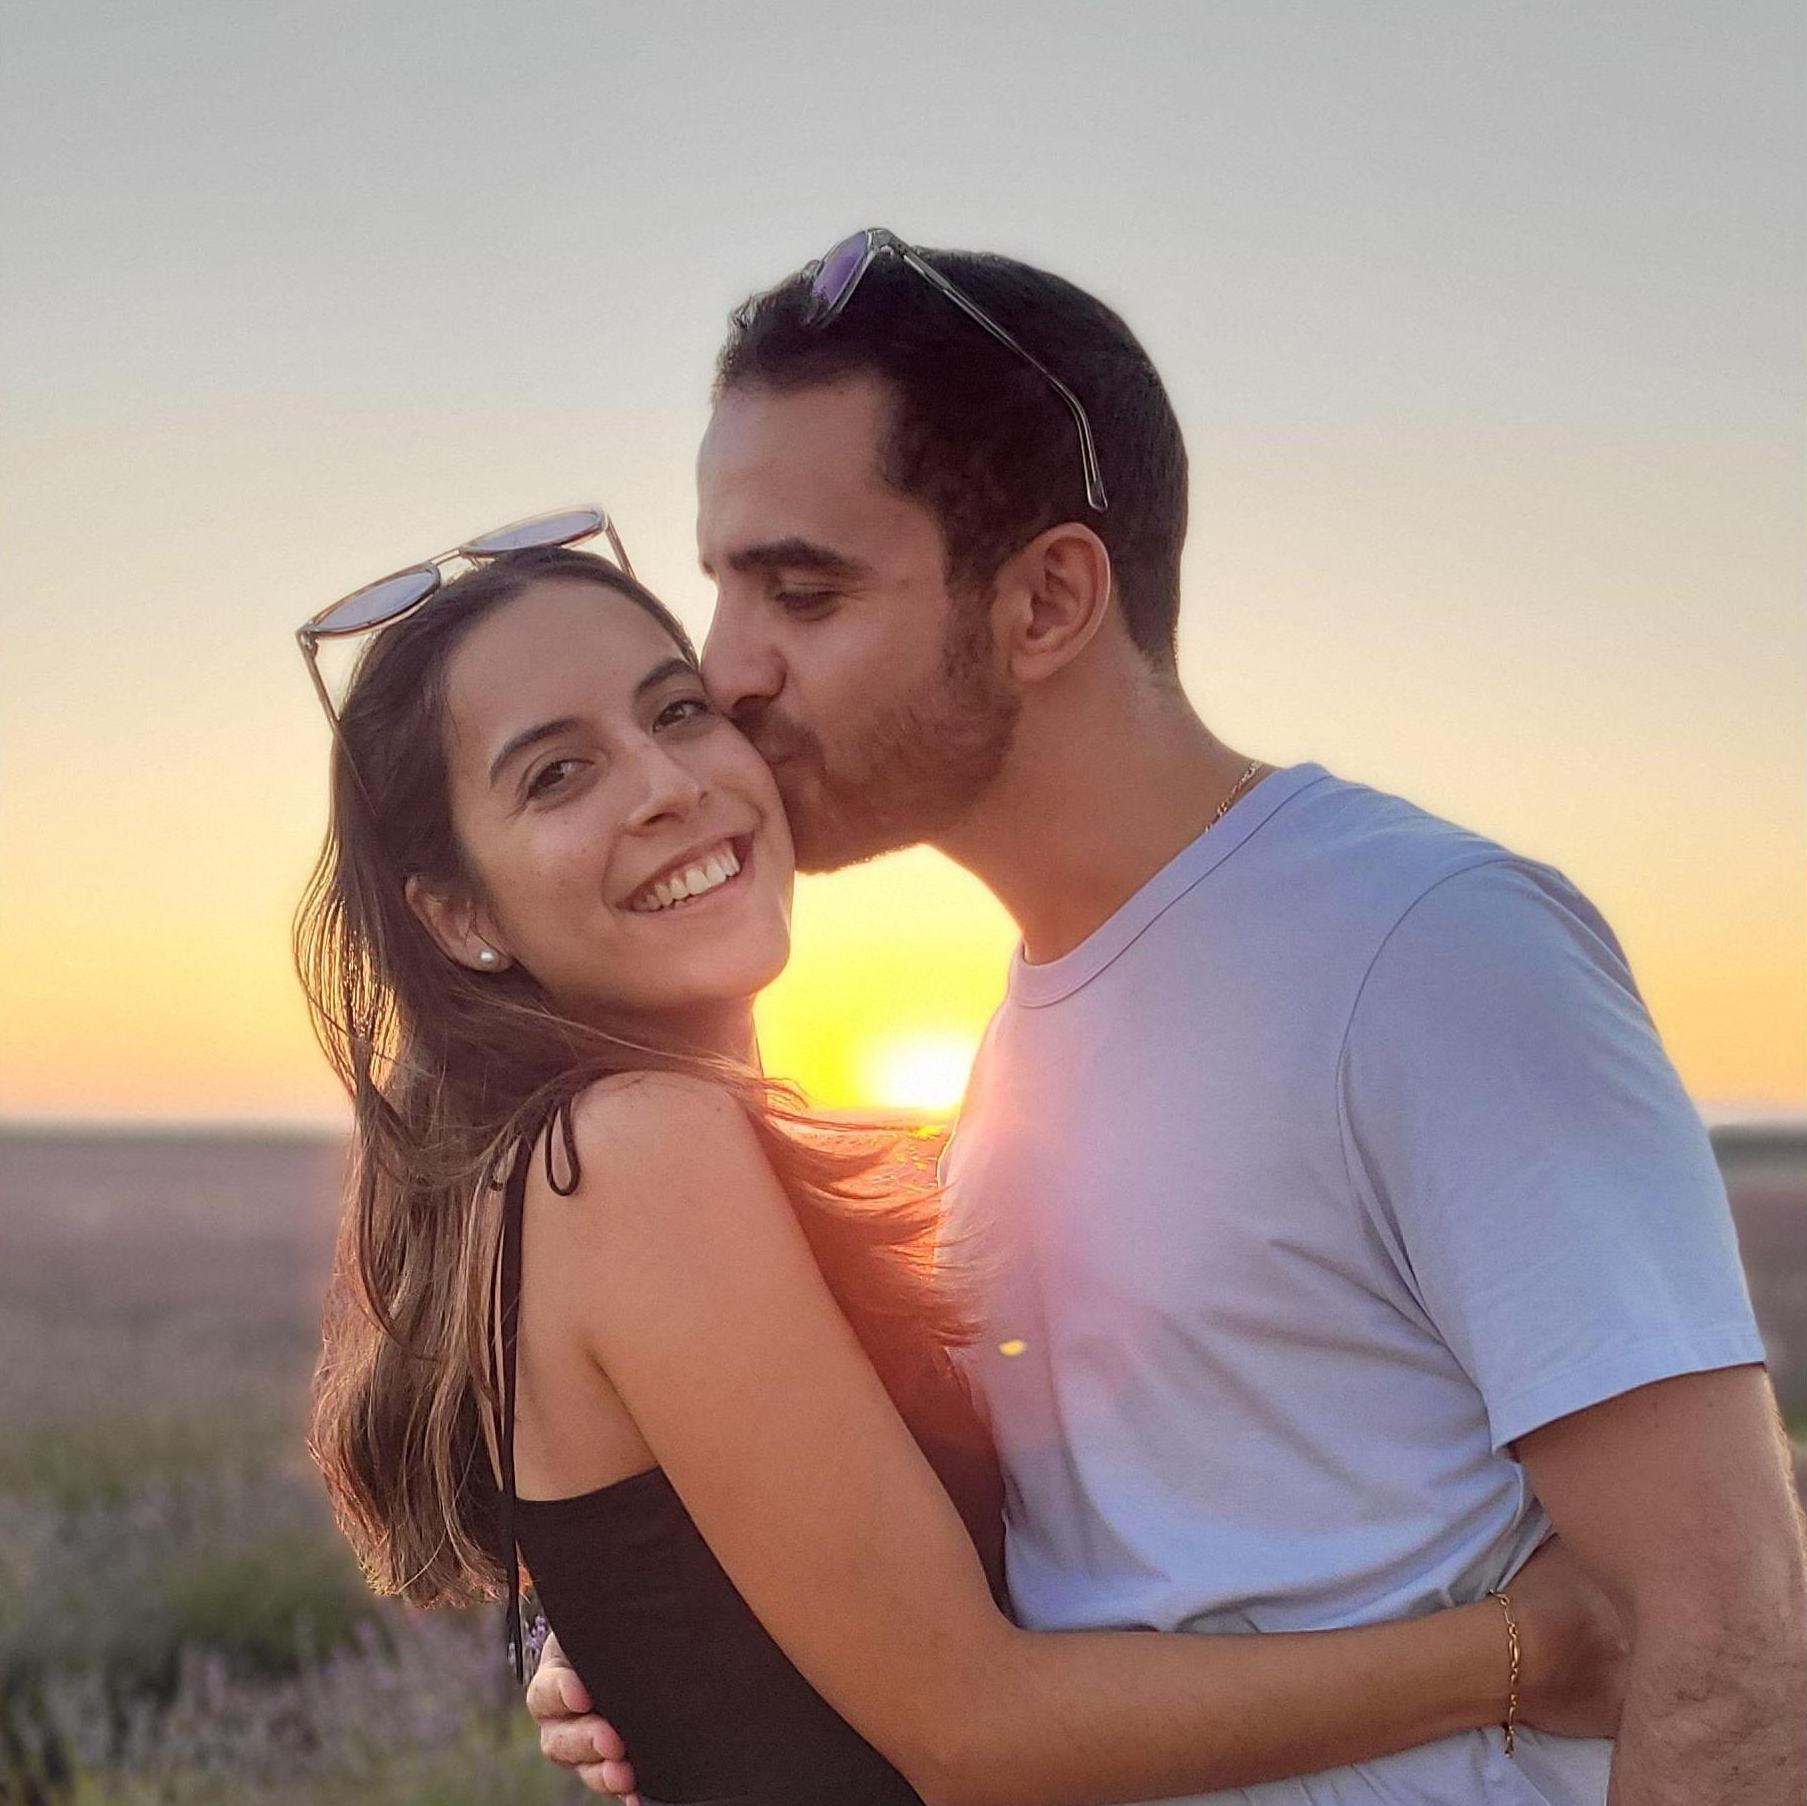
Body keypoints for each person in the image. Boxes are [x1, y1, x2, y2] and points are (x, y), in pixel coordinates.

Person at [529, 234, 1807, 1805]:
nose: (729, 675)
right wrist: (702, 1644)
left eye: (802, 591)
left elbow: (1737, 1624)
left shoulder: (1426, 952)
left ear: (1051, 597)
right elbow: (1088, 1599)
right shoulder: (1020, 1045)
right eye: (721, 586)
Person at [296, 538, 1624, 1806]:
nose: (665, 784)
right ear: (458, 913)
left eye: (679, 711)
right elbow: (978, 1735)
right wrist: (1529, 1648)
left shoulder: (575, 1158)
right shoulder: (634, 1147)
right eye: (556, 775)